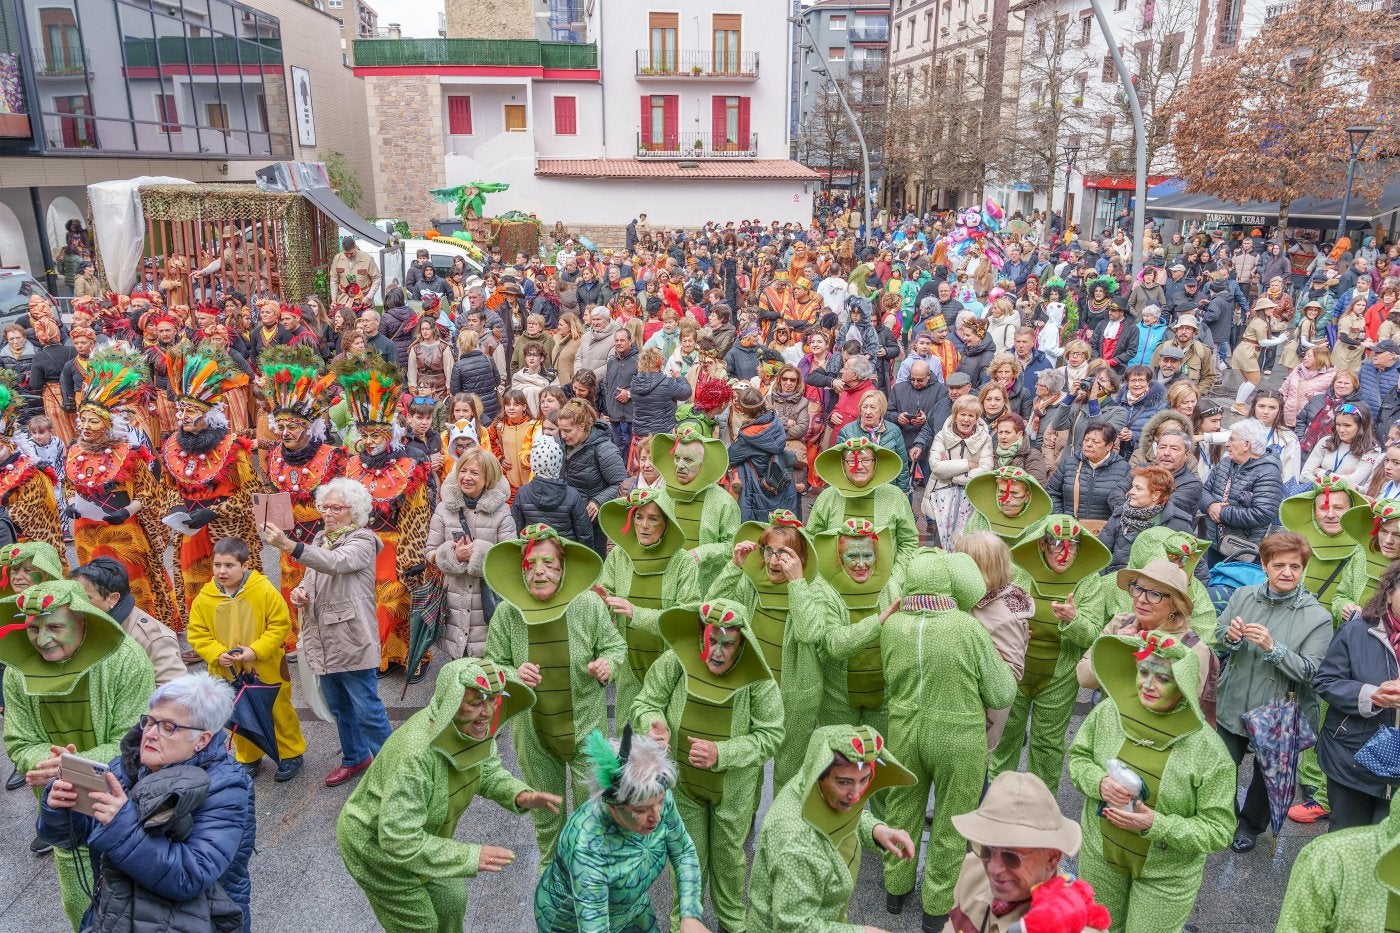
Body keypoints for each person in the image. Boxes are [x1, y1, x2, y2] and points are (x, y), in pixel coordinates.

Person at [836, 549, 1016, 931]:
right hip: (958, 736)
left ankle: (896, 890)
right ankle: (936, 909)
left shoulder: (893, 626)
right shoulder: (967, 627)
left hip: (904, 731)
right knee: (952, 823)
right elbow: (1001, 693)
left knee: (902, 809)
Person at [337, 658, 561, 933]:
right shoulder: (416, 757)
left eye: (493, 700)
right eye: (476, 703)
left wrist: (519, 794)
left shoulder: (472, 729)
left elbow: (485, 768)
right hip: (375, 848)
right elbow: (398, 838)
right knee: (421, 926)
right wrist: (469, 856)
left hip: (423, 836)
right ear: (452, 702)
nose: (487, 712)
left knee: (452, 900)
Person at [38, 671, 255, 932]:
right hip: (114, 913)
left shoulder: (225, 787)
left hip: (194, 921)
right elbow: (71, 838)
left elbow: (190, 876)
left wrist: (121, 823)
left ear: (202, 740)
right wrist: (61, 806)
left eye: (169, 727)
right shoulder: (124, 768)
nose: (150, 733)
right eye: (149, 721)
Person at [1, 579, 156, 927]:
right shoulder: (16, 673)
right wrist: (47, 764)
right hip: (65, 810)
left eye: (55, 626)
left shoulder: (125, 660)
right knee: (80, 904)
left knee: (138, 907)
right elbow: (19, 741)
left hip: (125, 809)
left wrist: (67, 766)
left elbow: (133, 741)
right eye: (32, 628)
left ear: (83, 621)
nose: (42, 639)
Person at [631, 599, 784, 933]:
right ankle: (685, 923)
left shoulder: (759, 680)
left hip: (733, 792)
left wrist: (723, 753)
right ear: (702, 636)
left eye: (727, 644)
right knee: (687, 862)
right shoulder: (676, 661)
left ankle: (732, 925)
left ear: (741, 644)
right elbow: (645, 702)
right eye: (712, 640)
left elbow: (771, 735)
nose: (717, 651)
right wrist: (652, 722)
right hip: (684, 787)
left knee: (729, 863)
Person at [1067, 629, 1234, 933]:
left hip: (1164, 877)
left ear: (1184, 686)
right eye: (1143, 671)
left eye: (1164, 679)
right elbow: (1079, 758)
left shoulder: (1209, 750)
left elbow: (1219, 831)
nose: (1148, 684)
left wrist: (1155, 824)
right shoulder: (1108, 712)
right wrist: (1099, 782)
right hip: (1100, 858)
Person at [482, 525, 627, 869]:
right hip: (533, 734)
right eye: (531, 564)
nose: (539, 571)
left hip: (585, 727)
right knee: (546, 815)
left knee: (593, 810)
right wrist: (515, 675)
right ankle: (552, 880)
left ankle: (590, 875)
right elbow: (490, 664)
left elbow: (615, 645)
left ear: (563, 569)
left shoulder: (589, 604)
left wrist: (608, 664)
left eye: (549, 563)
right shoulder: (507, 613)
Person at [261, 477, 393, 788]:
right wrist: (301, 593)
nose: (328, 513)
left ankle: (393, 766)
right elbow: (313, 576)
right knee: (339, 707)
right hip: (324, 638)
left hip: (352, 639)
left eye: (336, 508)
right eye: (325, 507)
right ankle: (355, 758)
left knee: (367, 709)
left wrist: (290, 546)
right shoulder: (322, 539)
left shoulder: (363, 541)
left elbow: (336, 564)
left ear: (355, 512)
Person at [1215, 532, 1334, 853]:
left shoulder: (1317, 618)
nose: (1287, 572)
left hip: (1279, 712)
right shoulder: (1242, 596)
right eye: (1278, 564)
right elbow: (1216, 635)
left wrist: (1273, 647)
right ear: (1265, 565)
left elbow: (1311, 671)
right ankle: (1222, 818)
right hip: (1234, 699)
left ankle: (1251, 826)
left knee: (1267, 777)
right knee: (1221, 767)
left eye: (1295, 566)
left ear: (1303, 569)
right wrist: (1229, 635)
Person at [709, 510, 844, 787]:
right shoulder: (751, 582)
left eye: (783, 554)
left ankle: (783, 829)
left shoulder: (816, 589)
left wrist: (796, 583)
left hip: (797, 695)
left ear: (801, 558)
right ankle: (745, 829)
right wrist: (734, 567)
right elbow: (710, 610)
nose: (773, 560)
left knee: (790, 773)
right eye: (767, 551)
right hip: (753, 688)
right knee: (746, 772)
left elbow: (811, 634)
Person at [534, 726, 706, 933]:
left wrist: (689, 914)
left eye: (660, 802)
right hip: (570, 921)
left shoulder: (654, 793)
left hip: (631, 905)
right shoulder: (588, 846)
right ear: (613, 807)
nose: (656, 817)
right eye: (641, 810)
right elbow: (594, 927)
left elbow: (683, 852)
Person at [746, 725, 917, 933]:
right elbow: (793, 927)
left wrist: (877, 829)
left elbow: (841, 813)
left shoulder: (809, 787)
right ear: (819, 772)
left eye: (864, 780)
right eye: (844, 782)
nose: (855, 794)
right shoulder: (797, 845)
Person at [990, 515, 1111, 794]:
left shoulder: (1089, 582)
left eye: (1072, 544)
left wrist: (1073, 619)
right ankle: (997, 805)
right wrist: (1014, 629)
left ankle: (1040, 809)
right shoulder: (1020, 572)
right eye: (1056, 543)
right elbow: (993, 614)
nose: (1064, 551)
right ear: (1042, 545)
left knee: (1048, 745)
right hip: (1014, 671)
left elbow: (1093, 636)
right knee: (1006, 738)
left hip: (1059, 677)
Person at [64, 347, 181, 632]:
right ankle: (101, 631)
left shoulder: (128, 452)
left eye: (94, 421)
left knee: (132, 583)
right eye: (84, 420)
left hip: (123, 532)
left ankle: (143, 632)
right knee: (92, 586)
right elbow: (69, 486)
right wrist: (70, 502)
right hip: (86, 534)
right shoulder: (74, 451)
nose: (87, 426)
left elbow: (149, 495)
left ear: (108, 424)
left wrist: (127, 511)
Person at [334, 351, 433, 678]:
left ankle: (408, 656)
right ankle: (378, 656)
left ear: (389, 434)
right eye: (364, 435)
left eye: (375, 435)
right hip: (364, 547)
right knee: (367, 602)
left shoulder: (409, 467)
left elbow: (419, 516)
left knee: (396, 602)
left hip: (397, 547)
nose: (368, 441)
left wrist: (416, 555)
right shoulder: (351, 465)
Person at [186, 536, 305, 781]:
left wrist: (256, 650)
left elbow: (279, 624)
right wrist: (217, 654)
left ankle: (291, 754)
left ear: (245, 565)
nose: (222, 571)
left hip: (265, 665)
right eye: (217, 565)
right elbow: (197, 634)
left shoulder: (262, 590)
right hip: (225, 670)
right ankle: (249, 757)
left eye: (229, 565)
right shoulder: (204, 599)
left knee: (278, 710)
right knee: (238, 713)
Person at [160, 344, 263, 615]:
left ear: (209, 414)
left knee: (230, 587)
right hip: (189, 531)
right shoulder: (173, 445)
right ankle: (201, 635)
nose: (183, 419)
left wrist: (213, 512)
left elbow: (251, 496)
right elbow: (168, 488)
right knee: (194, 583)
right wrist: (176, 507)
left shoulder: (231, 446)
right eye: (180, 412)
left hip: (226, 531)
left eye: (190, 412)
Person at [259, 345, 345, 654]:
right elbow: (272, 494)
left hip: (324, 542)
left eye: (291, 426)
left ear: (307, 426)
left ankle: (330, 641)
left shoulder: (332, 456)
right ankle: (295, 641)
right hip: (288, 543)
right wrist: (270, 524)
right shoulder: (275, 458)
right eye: (280, 426)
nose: (284, 432)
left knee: (326, 592)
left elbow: (344, 503)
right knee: (292, 590)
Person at [945, 771, 1109, 933]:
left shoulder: (1075, 927)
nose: (993, 868)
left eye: (1011, 857)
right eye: (987, 850)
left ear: (1051, 858)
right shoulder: (970, 870)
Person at [1308, 560, 1400, 833]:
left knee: (1388, 852)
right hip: (1352, 757)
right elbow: (1325, 682)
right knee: (1346, 838)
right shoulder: (1358, 630)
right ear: (1389, 594)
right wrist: (1373, 696)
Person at [596, 488, 701, 721]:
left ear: (667, 524)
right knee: (628, 735)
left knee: (665, 738)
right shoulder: (619, 556)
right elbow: (607, 597)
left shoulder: (682, 562)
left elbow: (687, 618)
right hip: (629, 665)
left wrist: (637, 613)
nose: (643, 525)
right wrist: (601, 600)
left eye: (653, 518)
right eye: (638, 517)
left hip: (669, 666)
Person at [425, 448, 514, 659]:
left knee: (487, 669)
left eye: (474, 473)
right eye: (463, 471)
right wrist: (453, 556)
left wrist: (478, 552)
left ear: (488, 477)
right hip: (453, 599)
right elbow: (430, 551)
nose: (466, 477)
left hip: (487, 601)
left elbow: (510, 557)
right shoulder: (444, 509)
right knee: (459, 666)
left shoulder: (501, 511)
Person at [650, 424, 742, 594]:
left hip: (704, 587)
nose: (680, 466)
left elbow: (733, 546)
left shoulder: (723, 502)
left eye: (688, 460)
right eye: (677, 458)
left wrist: (702, 553)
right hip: (664, 584)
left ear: (702, 464)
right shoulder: (660, 497)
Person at [71, 555, 184, 687]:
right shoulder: (81, 619)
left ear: (112, 598)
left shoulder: (154, 639)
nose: (74, 602)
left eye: (85, 597)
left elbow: (173, 694)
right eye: (73, 594)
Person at [810, 436, 921, 564]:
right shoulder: (828, 497)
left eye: (866, 460)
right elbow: (812, 539)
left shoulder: (895, 496)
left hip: (887, 581)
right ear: (842, 465)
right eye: (851, 461)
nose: (859, 466)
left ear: (875, 463)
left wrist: (896, 577)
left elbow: (909, 541)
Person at [1201, 419, 1284, 563]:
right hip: (1213, 544)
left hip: (1242, 553)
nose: (1227, 444)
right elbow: (1203, 491)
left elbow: (1262, 514)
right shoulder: (1226, 462)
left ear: (1247, 444)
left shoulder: (1268, 473)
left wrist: (1222, 513)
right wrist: (1210, 505)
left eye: (1232, 440)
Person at [1099, 466, 1194, 571]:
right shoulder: (1119, 515)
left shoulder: (1179, 523)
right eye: (1132, 486)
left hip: (1157, 583)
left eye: (1138, 488)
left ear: (1156, 495)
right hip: (1117, 579)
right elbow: (1099, 555)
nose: (1131, 492)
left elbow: (1195, 566)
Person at [1046, 421, 1132, 532]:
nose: (1089, 444)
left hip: (1104, 533)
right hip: (1069, 529)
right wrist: (1060, 518)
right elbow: (1052, 492)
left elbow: (1126, 505)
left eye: (1095, 442)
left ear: (1109, 446)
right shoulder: (1070, 462)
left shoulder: (1123, 469)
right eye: (1086, 440)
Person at [1301, 401, 1382, 489]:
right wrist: (1331, 484)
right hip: (1319, 497)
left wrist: (1320, 472)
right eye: (1338, 424)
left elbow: (1352, 482)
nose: (1341, 430)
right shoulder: (1325, 441)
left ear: (1361, 426)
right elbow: (1304, 476)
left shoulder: (1372, 450)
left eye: (1347, 425)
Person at [331, 235, 380, 305]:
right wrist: (333, 299)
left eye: (351, 253)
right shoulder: (337, 258)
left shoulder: (367, 259)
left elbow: (377, 279)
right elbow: (334, 280)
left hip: (363, 299)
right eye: (346, 253)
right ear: (342, 249)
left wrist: (369, 297)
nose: (349, 256)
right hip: (343, 300)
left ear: (355, 247)